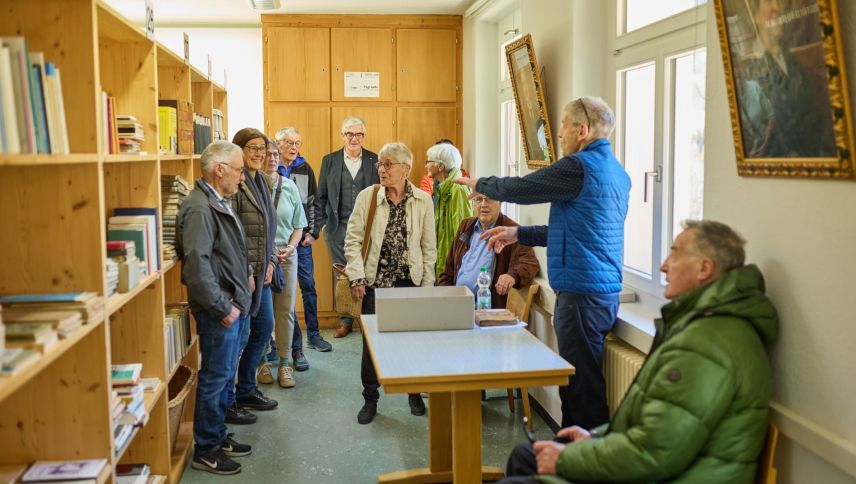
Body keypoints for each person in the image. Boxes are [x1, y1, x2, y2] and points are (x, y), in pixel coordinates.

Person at [500, 220, 778, 484]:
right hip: (660, 468)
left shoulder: (709, 343)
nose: (664, 266)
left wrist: (566, 459)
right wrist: (595, 436)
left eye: (675, 255)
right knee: (526, 456)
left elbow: (654, 452)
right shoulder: (702, 324)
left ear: (704, 268)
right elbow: (658, 430)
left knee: (524, 468)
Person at [456, 97, 631, 430]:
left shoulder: (580, 166)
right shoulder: (616, 173)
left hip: (581, 294)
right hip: (600, 293)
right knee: (582, 385)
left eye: (563, 125)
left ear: (583, 130)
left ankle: (581, 461)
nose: (559, 134)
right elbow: (575, 231)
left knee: (581, 389)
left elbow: (525, 188)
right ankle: (574, 456)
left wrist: (481, 184)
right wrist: (518, 232)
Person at [344, 142, 436, 424]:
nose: (382, 170)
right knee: (371, 346)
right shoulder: (368, 197)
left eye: (388, 165)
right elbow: (353, 240)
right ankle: (370, 399)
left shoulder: (422, 200)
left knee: (414, 343)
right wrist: (357, 276)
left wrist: (427, 289)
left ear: (405, 169)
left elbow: (428, 248)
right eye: (380, 165)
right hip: (376, 284)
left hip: (411, 283)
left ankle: (414, 392)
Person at [178, 141, 252, 475]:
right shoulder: (199, 207)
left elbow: (227, 252)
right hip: (218, 309)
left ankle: (218, 436)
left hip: (230, 303)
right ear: (219, 169)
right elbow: (197, 266)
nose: (242, 177)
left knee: (223, 378)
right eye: (238, 169)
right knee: (215, 378)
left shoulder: (216, 200)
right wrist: (223, 306)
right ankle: (206, 449)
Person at [226, 128, 279, 425]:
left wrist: (271, 261)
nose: (259, 153)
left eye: (263, 148)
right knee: (241, 336)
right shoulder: (237, 182)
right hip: (243, 275)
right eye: (252, 148)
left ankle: (247, 388)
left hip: (263, 271)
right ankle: (231, 398)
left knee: (263, 328)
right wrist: (247, 271)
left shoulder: (265, 181)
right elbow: (234, 232)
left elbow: (270, 228)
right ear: (239, 150)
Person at [737, 0, 835, 158]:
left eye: (780, 2)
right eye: (769, 1)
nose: (777, 7)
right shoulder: (749, 71)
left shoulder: (790, 57)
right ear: (754, 15)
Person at [318, 116, 380, 338]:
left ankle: (365, 319)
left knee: (367, 272)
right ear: (342, 135)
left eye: (359, 134)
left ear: (364, 135)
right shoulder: (330, 160)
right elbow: (321, 196)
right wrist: (322, 225)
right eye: (350, 134)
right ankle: (345, 320)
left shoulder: (375, 160)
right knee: (344, 274)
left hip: (368, 228)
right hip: (337, 227)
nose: (354, 139)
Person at [276, 127, 332, 371]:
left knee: (308, 286)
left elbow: (314, 202)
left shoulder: (304, 168)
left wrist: (313, 232)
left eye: (297, 142)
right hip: (277, 242)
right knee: (282, 296)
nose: (294, 147)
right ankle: (283, 347)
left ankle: (314, 334)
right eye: (289, 142)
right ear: (278, 144)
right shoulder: (272, 169)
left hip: (301, 240)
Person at [258, 139, 306, 388]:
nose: (273, 158)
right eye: (267, 154)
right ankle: (262, 361)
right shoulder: (251, 187)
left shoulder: (290, 187)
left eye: (275, 154)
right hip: (261, 258)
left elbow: (299, 224)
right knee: (262, 313)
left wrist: (292, 246)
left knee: (285, 311)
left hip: (287, 257)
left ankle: (285, 363)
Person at [438, 194, 539, 309]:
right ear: (473, 203)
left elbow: (529, 262)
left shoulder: (510, 229)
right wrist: (443, 299)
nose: (483, 205)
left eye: (489, 198)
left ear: (500, 202)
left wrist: (512, 275)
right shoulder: (465, 226)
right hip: (455, 305)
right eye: (479, 199)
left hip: (485, 311)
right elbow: (448, 271)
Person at [427, 141, 472, 278]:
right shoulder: (440, 189)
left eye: (429, 161)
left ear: (440, 166)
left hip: (454, 266)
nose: (426, 165)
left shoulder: (458, 189)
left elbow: (463, 231)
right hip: (441, 259)